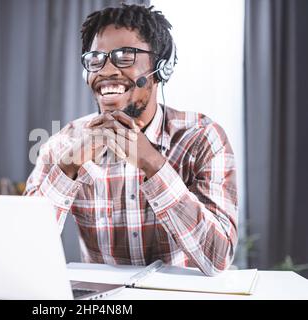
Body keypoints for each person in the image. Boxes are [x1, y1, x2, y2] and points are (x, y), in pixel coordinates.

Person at [24, 4, 237, 276]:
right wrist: (68, 167)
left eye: (125, 56)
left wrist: (153, 164)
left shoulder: (203, 137)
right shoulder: (61, 145)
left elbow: (218, 259)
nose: (107, 70)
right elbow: (26, 248)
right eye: (96, 59)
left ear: (161, 68)